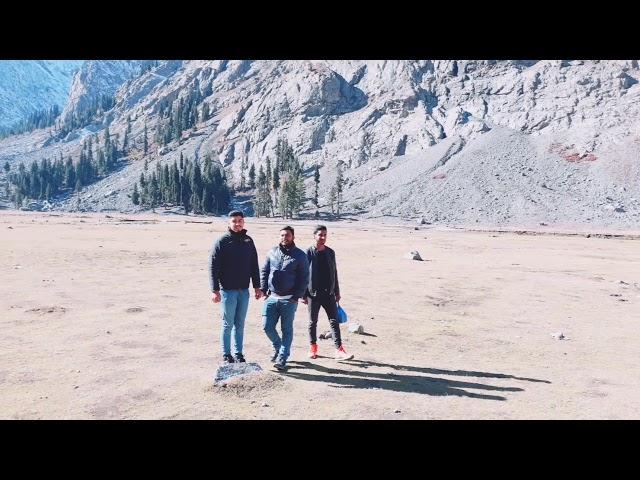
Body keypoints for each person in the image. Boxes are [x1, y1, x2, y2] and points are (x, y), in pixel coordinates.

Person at [209, 210, 262, 364]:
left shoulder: (248, 241)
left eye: (240, 221)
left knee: (240, 323)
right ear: (229, 223)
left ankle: (238, 353)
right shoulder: (222, 242)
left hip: (244, 291)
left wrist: (257, 287)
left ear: (243, 222)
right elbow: (213, 267)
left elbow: (254, 265)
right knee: (228, 323)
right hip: (227, 291)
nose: (237, 224)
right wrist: (215, 290)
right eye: (234, 221)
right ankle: (226, 354)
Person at [260, 226, 310, 371]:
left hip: (289, 300)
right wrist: (263, 289)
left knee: (286, 329)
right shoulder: (272, 252)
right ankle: (278, 347)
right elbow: (265, 271)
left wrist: (297, 296)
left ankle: (282, 357)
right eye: (282, 235)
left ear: (293, 237)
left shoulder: (300, 255)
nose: (284, 237)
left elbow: (304, 278)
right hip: (272, 298)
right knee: (267, 327)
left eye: (287, 235)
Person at [303, 225, 353, 360]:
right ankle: (313, 348)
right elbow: (302, 274)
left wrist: (337, 291)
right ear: (314, 236)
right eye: (320, 235)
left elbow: (334, 273)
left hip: (329, 294)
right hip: (313, 294)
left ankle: (339, 350)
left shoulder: (330, 252)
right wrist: (303, 294)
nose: (323, 237)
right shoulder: (308, 252)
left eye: (325, 235)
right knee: (312, 322)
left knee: (334, 321)